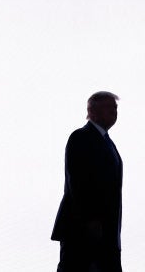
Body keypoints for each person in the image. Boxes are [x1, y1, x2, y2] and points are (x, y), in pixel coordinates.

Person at [51, 91, 123, 272]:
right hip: (83, 231)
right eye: (109, 107)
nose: (114, 112)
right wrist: (91, 222)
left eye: (115, 108)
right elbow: (78, 183)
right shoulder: (81, 137)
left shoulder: (108, 143)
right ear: (92, 111)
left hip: (106, 234)